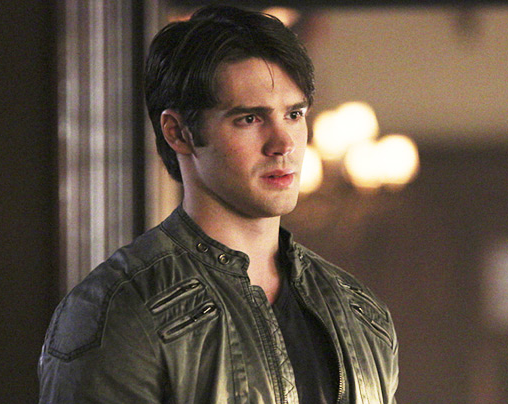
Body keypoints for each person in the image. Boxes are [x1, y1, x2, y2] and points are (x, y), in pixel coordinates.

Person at [38, 5, 398, 404]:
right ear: (178, 133)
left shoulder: (360, 312)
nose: (284, 144)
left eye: (294, 114)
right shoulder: (120, 311)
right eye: (249, 119)